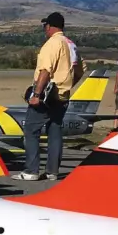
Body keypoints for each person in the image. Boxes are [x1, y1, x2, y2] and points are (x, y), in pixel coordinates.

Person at [13, 12, 84, 182]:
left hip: (47, 95)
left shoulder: (52, 43)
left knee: (31, 130)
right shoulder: (70, 44)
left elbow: (45, 70)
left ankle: (31, 171)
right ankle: (52, 172)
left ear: (49, 26)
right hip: (62, 95)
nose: (44, 29)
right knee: (55, 132)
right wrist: (66, 85)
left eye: (45, 26)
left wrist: (37, 94)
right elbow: (80, 70)